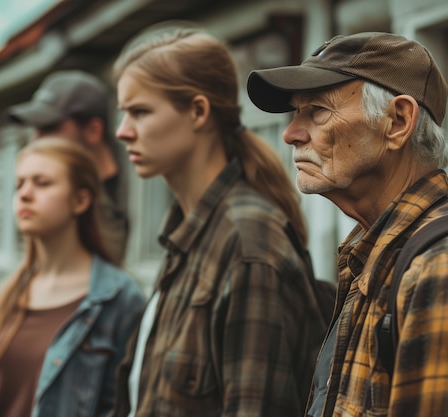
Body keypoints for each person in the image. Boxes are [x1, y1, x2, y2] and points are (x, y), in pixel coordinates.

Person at [246, 31, 448, 417]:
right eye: (296, 111)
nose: (291, 134)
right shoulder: (376, 257)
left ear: (397, 121)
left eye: (318, 110)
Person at [110, 24, 329, 417]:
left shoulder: (249, 242)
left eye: (139, 112)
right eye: (124, 113)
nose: (122, 131)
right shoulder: (189, 231)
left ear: (197, 111)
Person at [0, 137, 146, 417]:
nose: (25, 194)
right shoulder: (10, 293)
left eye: (42, 183)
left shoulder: (119, 299)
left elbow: (124, 407)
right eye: (19, 183)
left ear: (80, 200)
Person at [9, 70, 129, 264]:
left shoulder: (140, 188)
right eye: (35, 130)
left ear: (93, 131)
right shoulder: (32, 192)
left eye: (49, 128)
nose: (36, 141)